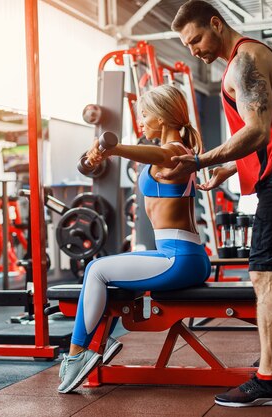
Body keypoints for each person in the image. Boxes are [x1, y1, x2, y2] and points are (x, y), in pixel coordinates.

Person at [162, 0, 272, 407]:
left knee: (264, 273)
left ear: (216, 24)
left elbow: (256, 132)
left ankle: (270, 382)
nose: (194, 49)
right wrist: (229, 171)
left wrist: (201, 160)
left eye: (197, 38)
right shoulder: (241, 62)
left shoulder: (246, 61)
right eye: (187, 44)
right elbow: (267, 138)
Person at [57, 84, 212, 394]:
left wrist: (113, 148)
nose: (141, 121)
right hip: (183, 255)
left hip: (178, 258)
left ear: (163, 116)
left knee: (96, 270)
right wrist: (104, 154)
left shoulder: (176, 152)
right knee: (112, 273)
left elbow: (162, 155)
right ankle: (100, 343)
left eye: (144, 114)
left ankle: (76, 356)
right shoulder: (171, 151)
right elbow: (150, 154)